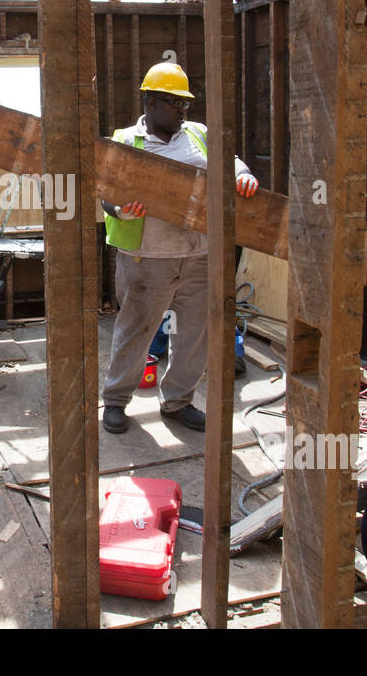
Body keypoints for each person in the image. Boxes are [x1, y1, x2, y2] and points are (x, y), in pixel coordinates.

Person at [100, 61, 258, 434]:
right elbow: (105, 193)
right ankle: (117, 401)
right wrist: (121, 211)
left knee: (193, 334)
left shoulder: (198, 134)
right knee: (136, 331)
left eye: (185, 103)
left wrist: (243, 174)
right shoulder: (124, 141)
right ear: (151, 102)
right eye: (174, 103)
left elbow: (230, 162)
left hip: (199, 255)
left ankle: (177, 402)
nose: (183, 110)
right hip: (147, 256)